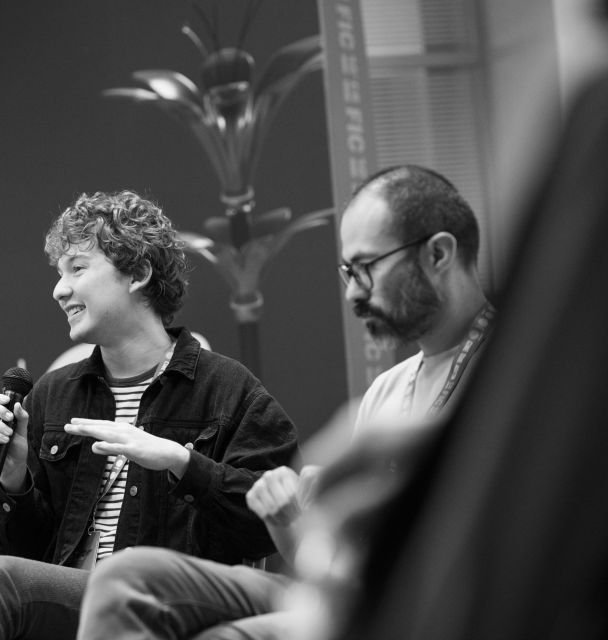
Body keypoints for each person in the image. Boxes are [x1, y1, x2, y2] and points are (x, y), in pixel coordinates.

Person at [75, 165, 495, 640]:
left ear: (439, 253)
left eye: (366, 268)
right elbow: (326, 566)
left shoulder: (514, 379)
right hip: (354, 595)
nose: (354, 292)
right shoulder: (388, 391)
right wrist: (289, 519)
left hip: (425, 605)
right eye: (346, 272)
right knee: (127, 577)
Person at [0, 190, 299, 640]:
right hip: (72, 608)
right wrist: (14, 481)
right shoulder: (54, 393)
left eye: (78, 268)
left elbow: (269, 526)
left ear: (138, 274)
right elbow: (23, 551)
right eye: (58, 272)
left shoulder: (228, 390)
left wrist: (184, 464)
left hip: (161, 606)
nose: (59, 289)